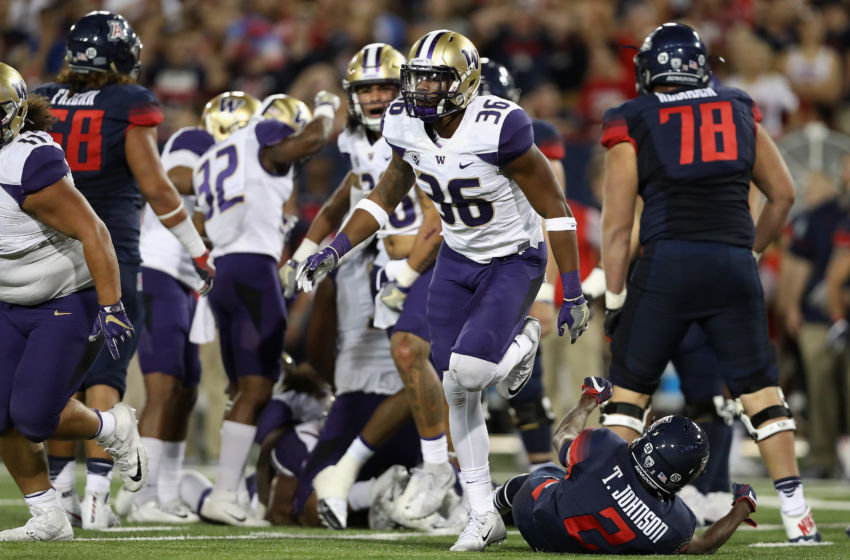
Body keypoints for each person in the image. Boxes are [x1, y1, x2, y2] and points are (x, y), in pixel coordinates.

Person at [296, 29, 590, 551]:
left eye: (436, 79)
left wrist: (570, 289)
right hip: (456, 258)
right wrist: (336, 248)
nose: (423, 90)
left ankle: (522, 339)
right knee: (457, 386)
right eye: (419, 79)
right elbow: (385, 192)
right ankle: (481, 513)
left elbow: (557, 211)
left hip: (511, 257)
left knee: (473, 372)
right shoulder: (405, 123)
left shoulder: (500, 127)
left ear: (465, 82)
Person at [599, 22, 819, 542]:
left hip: (668, 263)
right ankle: (797, 516)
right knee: (762, 393)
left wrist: (613, 298)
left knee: (629, 395)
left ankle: (609, 506)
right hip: (731, 265)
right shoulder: (739, 106)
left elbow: (615, 226)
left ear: (651, 70)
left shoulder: (632, 117)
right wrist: (749, 252)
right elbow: (783, 193)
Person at [36, 11, 214, 529]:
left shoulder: (44, 99)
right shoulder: (128, 103)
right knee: (105, 373)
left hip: (48, 253)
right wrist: (197, 250)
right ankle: (95, 498)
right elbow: (158, 190)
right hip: (109, 252)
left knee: (57, 375)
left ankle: (62, 495)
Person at [281, 42, 454, 529]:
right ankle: (386, 489)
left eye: (384, 86)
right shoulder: (358, 144)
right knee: (305, 508)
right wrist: (304, 255)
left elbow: (434, 220)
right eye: (366, 88)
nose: (376, 97)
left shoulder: (420, 131)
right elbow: (346, 202)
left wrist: (406, 262)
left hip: (424, 278)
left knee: (438, 371)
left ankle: (453, 483)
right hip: (366, 341)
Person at [0, 63, 147, 541]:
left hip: (65, 297)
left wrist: (110, 305)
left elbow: (93, 230)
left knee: (34, 416)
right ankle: (49, 516)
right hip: (8, 300)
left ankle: (111, 426)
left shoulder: (27, 161)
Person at [195, 89, 340, 526]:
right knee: (259, 386)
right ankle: (226, 491)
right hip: (253, 271)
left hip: (223, 271)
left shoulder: (210, 159)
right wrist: (327, 108)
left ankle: (232, 488)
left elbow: (205, 222)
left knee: (244, 388)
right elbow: (312, 140)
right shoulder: (261, 133)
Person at [495, 377, 760, 554]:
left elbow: (562, 435)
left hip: (534, 521)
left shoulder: (605, 447)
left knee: (547, 473)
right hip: (575, 546)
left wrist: (589, 399)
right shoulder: (678, 523)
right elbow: (704, 545)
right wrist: (742, 507)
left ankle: (489, 509)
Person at [121, 104, 227, 523]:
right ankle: (143, 497)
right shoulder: (196, 141)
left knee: (186, 389)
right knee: (162, 386)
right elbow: (174, 179)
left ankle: (166, 491)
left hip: (188, 279)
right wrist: (222, 192)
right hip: (159, 267)